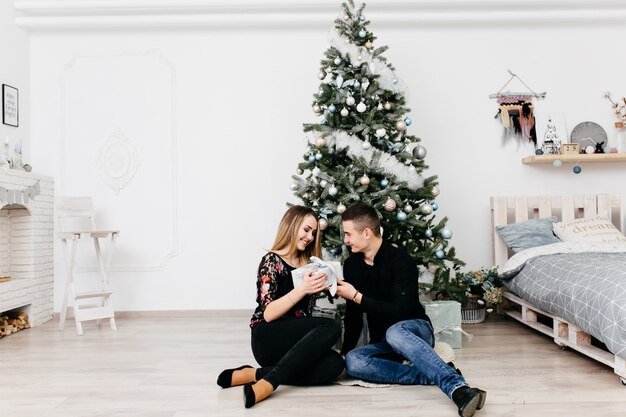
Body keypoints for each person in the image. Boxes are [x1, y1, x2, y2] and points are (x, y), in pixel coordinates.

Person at [336, 203, 487, 417]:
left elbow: (400, 312)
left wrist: (357, 296)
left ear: (367, 232)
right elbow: (353, 314)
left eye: (348, 234)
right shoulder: (351, 265)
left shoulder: (400, 261)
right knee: (354, 361)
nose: (346, 240)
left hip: (415, 329)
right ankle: (427, 375)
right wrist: (345, 351)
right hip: (384, 342)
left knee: (395, 331)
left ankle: (458, 389)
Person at [217, 205, 344, 408]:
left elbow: (305, 317)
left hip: (294, 343)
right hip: (267, 338)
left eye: (313, 232)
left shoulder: (309, 265)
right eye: (306, 229)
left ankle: (254, 374)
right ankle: (269, 383)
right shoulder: (271, 261)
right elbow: (268, 314)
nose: (310, 237)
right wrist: (302, 289)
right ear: (292, 226)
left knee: (335, 365)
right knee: (332, 326)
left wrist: (331, 282)